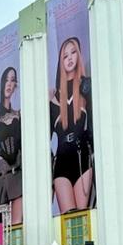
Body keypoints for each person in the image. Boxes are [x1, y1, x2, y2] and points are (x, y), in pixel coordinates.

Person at [50, 37, 93, 214]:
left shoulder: (86, 86)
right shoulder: (53, 97)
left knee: (82, 218)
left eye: (73, 52)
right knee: (68, 220)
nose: (69, 58)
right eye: (65, 55)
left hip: (82, 157)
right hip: (61, 160)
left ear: (79, 55)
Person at [0, 67, 23, 223]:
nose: (9, 84)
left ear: (16, 85)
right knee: (0, 230)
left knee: (18, 226)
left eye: (13, 80)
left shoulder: (18, 114)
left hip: (18, 173)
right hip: (1, 176)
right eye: (6, 80)